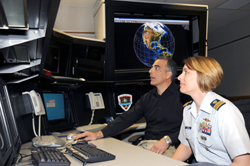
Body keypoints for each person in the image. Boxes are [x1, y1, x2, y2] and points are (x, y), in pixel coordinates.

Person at [74, 56, 189, 157]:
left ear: (168, 74)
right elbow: (126, 118)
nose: (150, 71)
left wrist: (168, 139)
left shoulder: (184, 96)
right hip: (147, 146)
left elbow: (192, 128)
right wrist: (97, 134)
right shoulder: (147, 98)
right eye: (151, 67)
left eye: (156, 68)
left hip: (172, 148)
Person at [172, 56, 250, 165]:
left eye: (186, 72)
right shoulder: (188, 110)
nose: (179, 77)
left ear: (202, 76)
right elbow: (186, 146)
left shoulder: (224, 111)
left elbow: (244, 163)